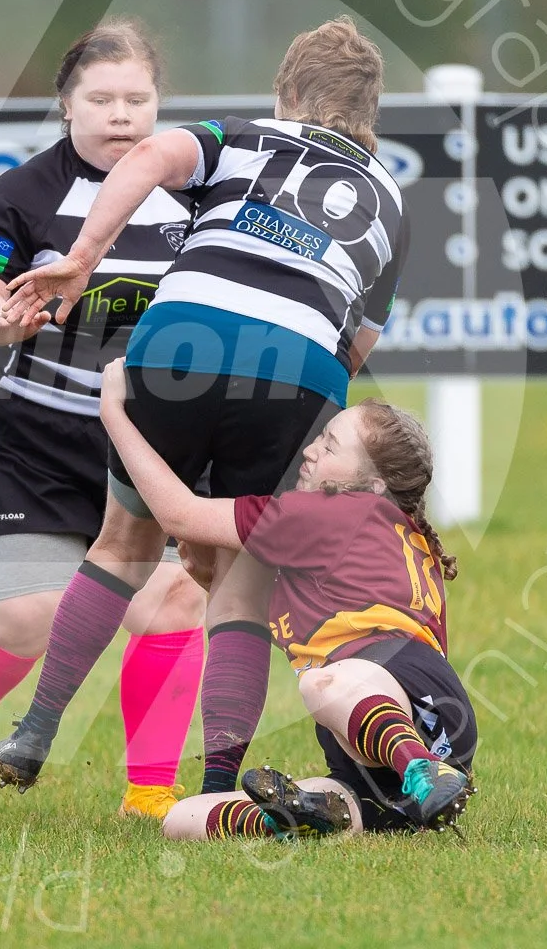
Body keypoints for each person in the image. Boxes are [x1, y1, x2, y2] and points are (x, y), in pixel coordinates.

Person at [0, 16, 410, 798]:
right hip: (303, 366)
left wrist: (81, 259)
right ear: (370, 111)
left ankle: (36, 730)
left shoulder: (243, 135)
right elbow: (362, 339)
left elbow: (149, 158)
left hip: (186, 333)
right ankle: (219, 781)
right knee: (241, 586)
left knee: (120, 546)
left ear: (287, 91)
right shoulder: (392, 201)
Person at [0, 20, 206, 823]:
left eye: (138, 100)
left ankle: (150, 796)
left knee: (174, 601)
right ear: (65, 106)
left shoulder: (199, 191)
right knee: (24, 615)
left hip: (154, 440)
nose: (121, 115)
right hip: (29, 437)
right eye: (101, 99)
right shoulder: (25, 192)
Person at [96, 360, 476, 840]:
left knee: (322, 684)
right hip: (391, 736)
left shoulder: (332, 513)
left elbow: (179, 514)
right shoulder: (382, 528)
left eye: (330, 444)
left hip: (404, 711)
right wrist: (218, 584)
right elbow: (308, 620)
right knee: (183, 820)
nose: (311, 451)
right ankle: (307, 816)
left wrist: (114, 413)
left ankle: (421, 769)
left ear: (372, 483)